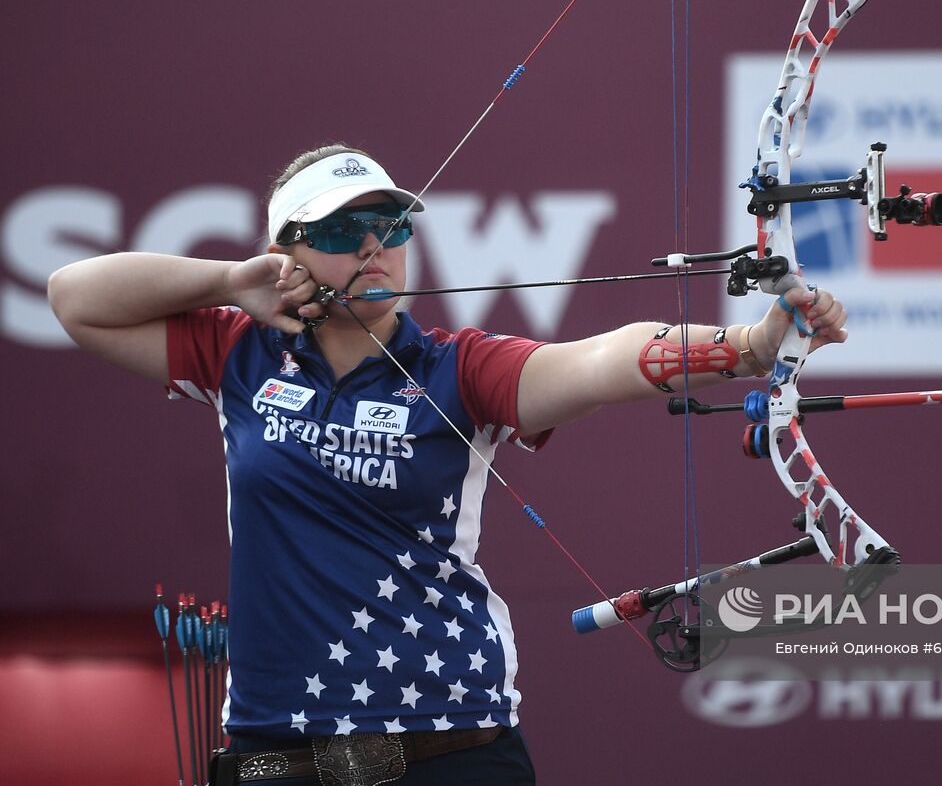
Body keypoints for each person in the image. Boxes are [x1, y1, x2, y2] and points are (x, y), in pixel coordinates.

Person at [47, 144, 847, 785]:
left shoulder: (455, 368)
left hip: (451, 746)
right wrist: (228, 282)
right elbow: (72, 294)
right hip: (275, 753)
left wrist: (750, 344)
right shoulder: (237, 353)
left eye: (390, 226)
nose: (372, 246)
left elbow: (602, 359)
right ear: (282, 255)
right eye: (336, 231)